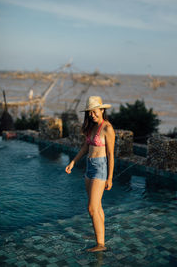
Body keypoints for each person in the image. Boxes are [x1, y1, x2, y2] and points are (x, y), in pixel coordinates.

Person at [65, 96, 115, 252]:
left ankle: (101, 245)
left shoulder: (107, 128)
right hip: (89, 167)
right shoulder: (92, 127)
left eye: (94, 112)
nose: (92, 115)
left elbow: (111, 155)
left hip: (100, 168)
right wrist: (73, 162)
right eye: (89, 113)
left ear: (102, 110)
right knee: (97, 207)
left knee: (92, 208)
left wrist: (110, 178)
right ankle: (100, 237)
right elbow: (85, 148)